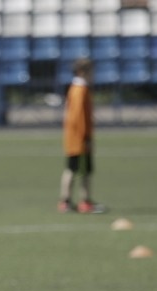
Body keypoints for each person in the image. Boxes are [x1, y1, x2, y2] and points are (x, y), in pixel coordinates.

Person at [58, 57, 106, 214]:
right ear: (82, 72)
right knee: (81, 170)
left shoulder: (76, 88)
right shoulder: (80, 90)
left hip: (74, 137)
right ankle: (82, 201)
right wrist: (85, 137)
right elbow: (78, 117)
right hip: (79, 138)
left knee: (74, 169)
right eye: (92, 72)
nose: (94, 76)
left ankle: (68, 201)